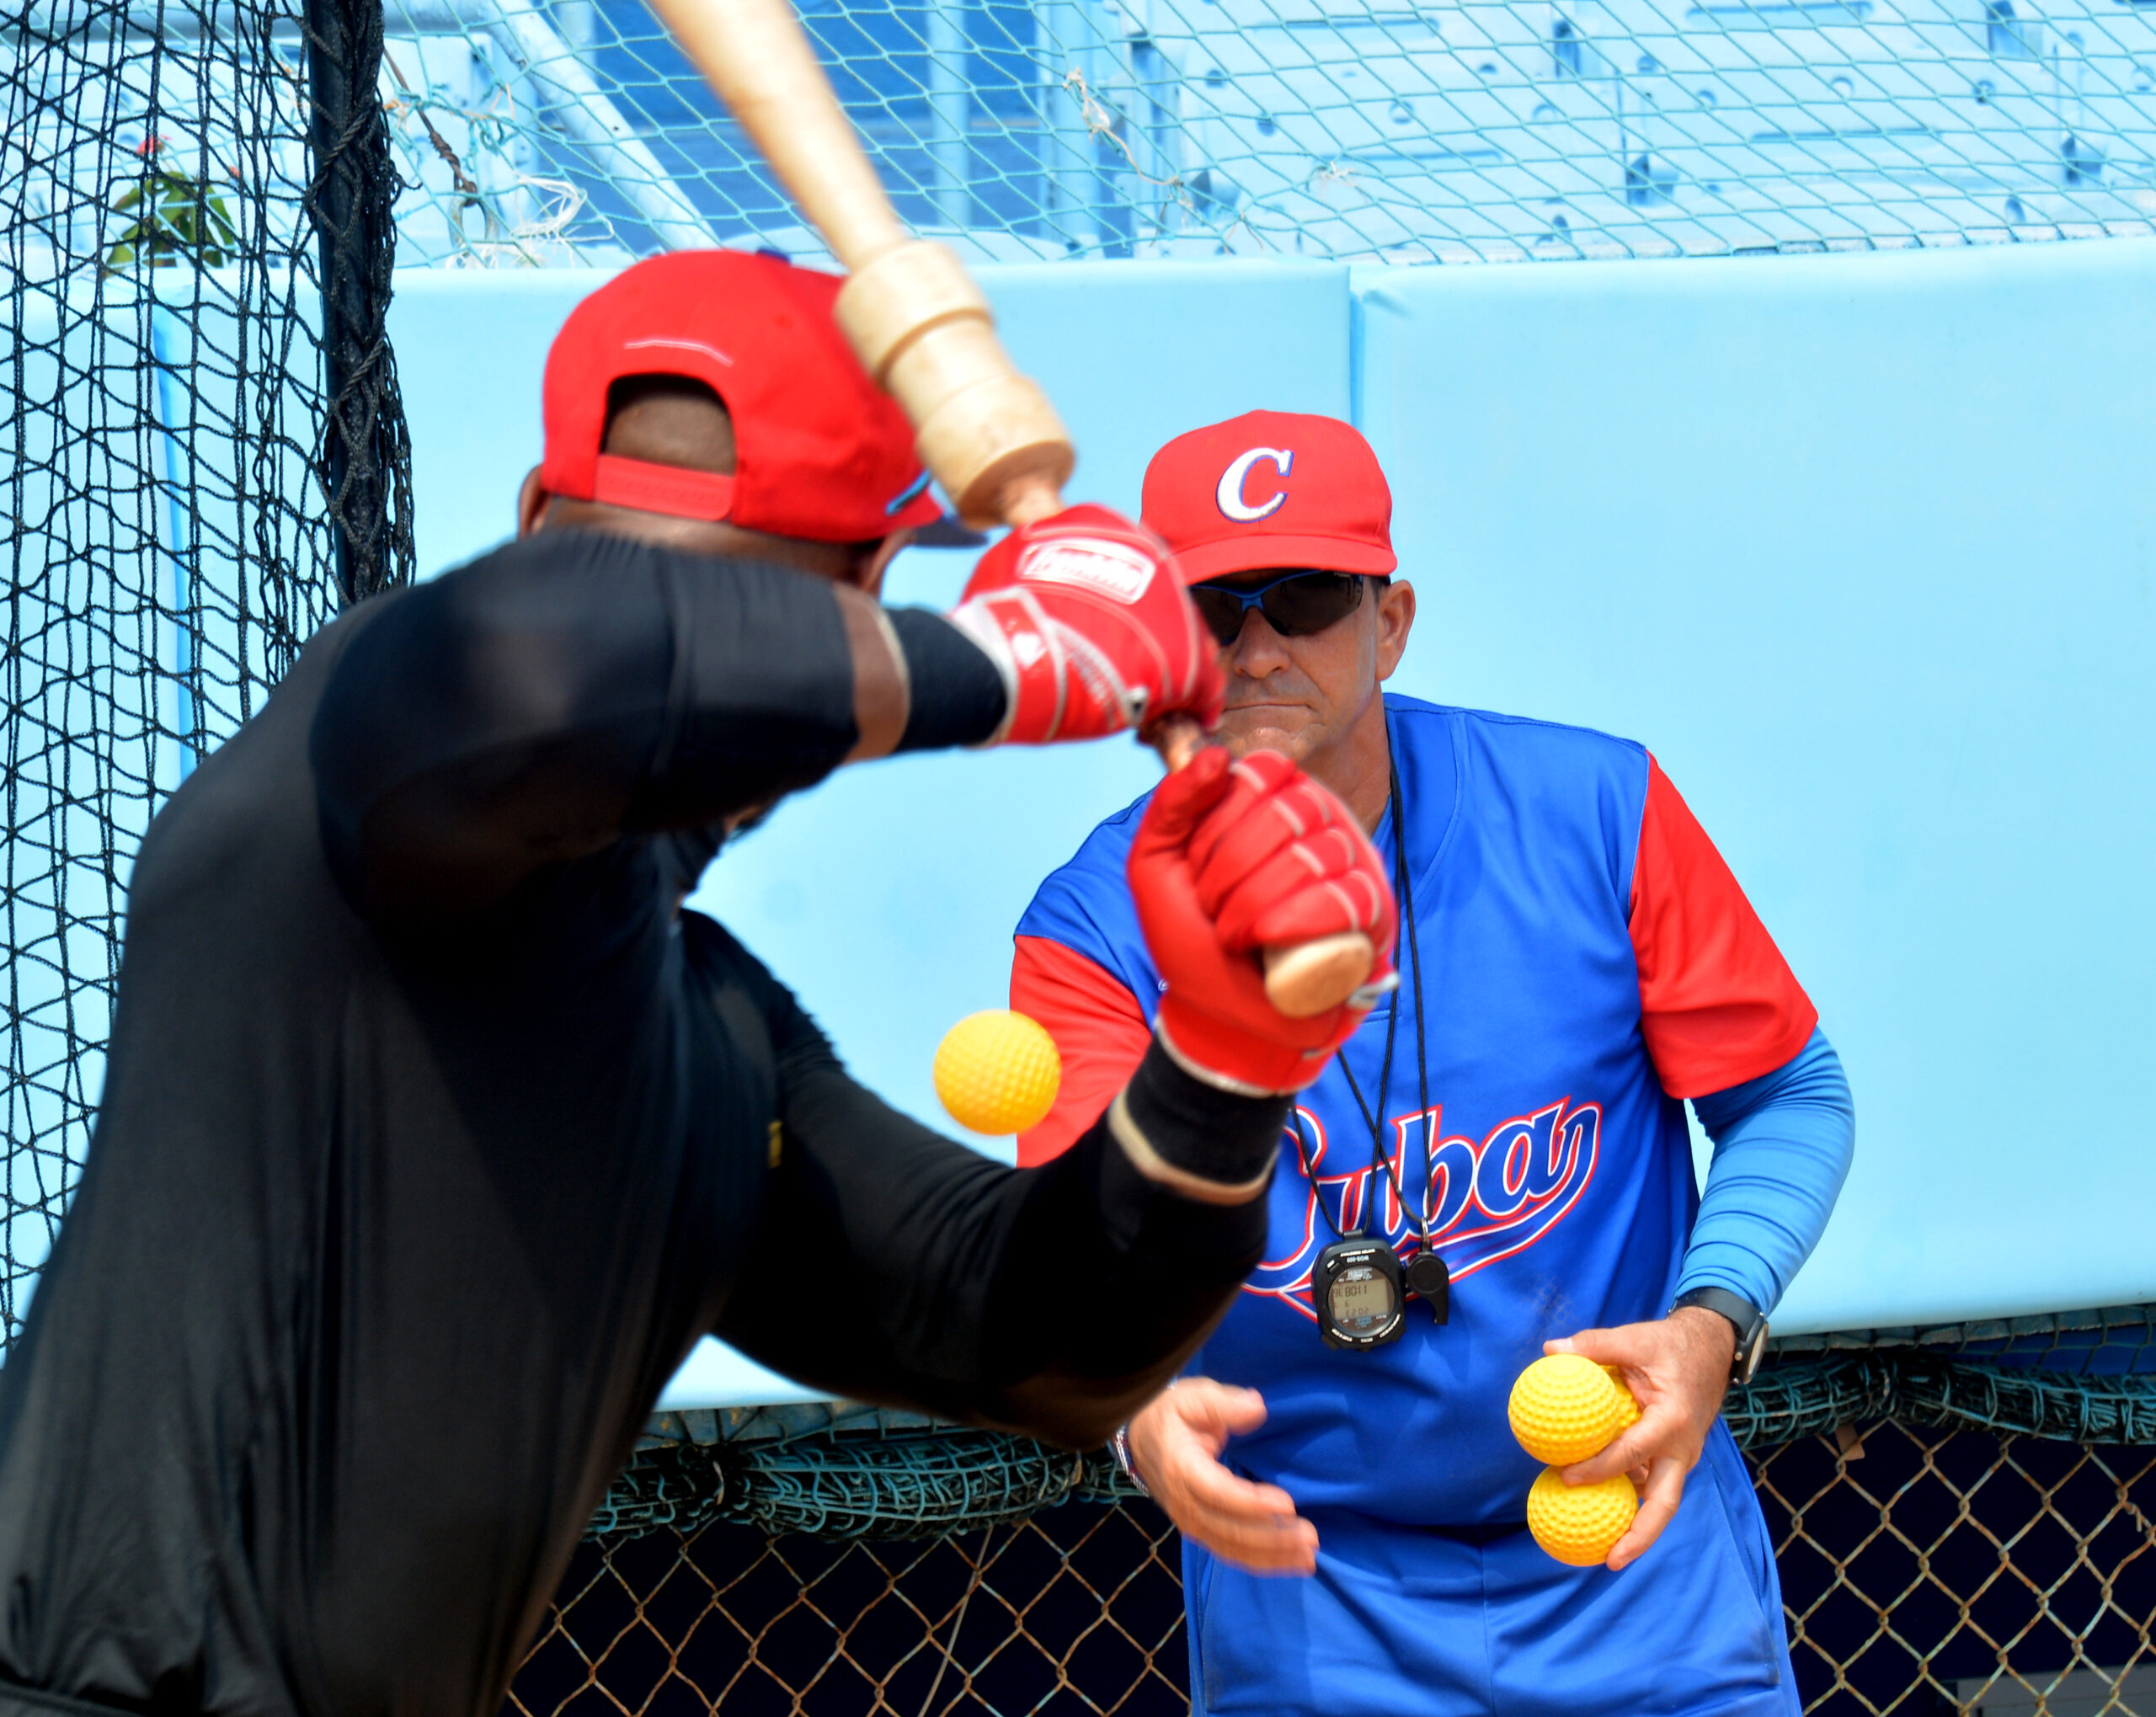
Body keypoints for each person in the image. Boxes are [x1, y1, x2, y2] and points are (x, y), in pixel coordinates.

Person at [0, 261, 1400, 1717]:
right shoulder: (359, 754)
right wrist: (999, 662)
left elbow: (1042, 1343)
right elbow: (542, 672)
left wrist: (1227, 1059)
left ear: (531, 513)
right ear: (867, 596)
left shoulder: (705, 1037)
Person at [1008, 410, 1858, 1717]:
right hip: (1312, 1589)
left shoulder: (1595, 810)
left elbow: (1789, 1097)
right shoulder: (1097, 930)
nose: (1257, 650)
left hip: (1632, 1542)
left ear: (1391, 621)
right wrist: (1130, 1411)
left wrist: (1709, 1325)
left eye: (1304, 599)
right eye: (1211, 612)